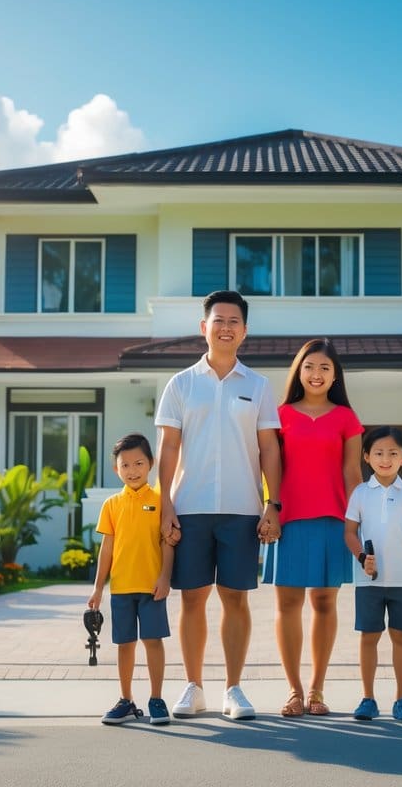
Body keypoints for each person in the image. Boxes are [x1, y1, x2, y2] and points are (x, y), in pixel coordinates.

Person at [156, 289, 282, 720]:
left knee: (236, 599)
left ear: (244, 331)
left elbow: (269, 449)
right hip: (189, 507)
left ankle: (233, 689)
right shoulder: (181, 384)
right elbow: (168, 448)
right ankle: (193, 687)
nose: (225, 327)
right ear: (203, 327)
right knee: (192, 598)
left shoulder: (259, 386)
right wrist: (166, 505)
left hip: (243, 508)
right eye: (218, 320)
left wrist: (273, 503)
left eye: (234, 321)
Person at [267, 338, 363, 717]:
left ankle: (317, 691)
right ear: (298, 371)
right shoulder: (280, 416)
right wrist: (269, 509)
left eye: (325, 367)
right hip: (288, 520)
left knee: (324, 602)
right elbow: (270, 470)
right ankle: (293, 691)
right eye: (309, 367)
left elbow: (353, 473)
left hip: (333, 521)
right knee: (287, 603)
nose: (317, 374)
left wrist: (358, 523)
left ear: (335, 374)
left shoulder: (346, 418)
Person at [344, 425, 402, 721]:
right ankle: (367, 698)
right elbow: (349, 533)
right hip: (368, 582)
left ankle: (401, 699)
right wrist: (361, 557)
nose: (385, 459)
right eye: (379, 453)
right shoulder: (359, 494)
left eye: (393, 453)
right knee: (369, 636)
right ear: (366, 457)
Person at [88, 433, 175, 726]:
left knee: (153, 641)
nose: (132, 470)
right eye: (125, 465)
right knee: (125, 644)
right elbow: (107, 549)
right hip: (121, 588)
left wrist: (165, 578)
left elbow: (167, 543)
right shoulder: (111, 505)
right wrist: (98, 588)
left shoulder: (162, 501)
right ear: (116, 469)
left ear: (150, 464)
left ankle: (157, 699)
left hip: (152, 587)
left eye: (138, 463)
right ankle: (126, 700)